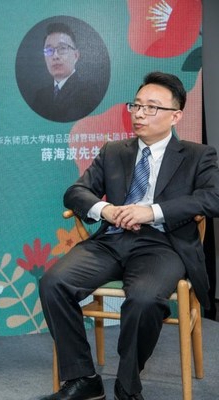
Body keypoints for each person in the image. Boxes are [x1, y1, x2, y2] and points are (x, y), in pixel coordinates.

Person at [38, 71, 219, 400]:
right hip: (112, 240)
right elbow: (75, 193)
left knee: (145, 300)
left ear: (176, 116)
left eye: (152, 107)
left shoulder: (198, 155)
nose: (139, 114)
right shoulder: (114, 151)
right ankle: (83, 378)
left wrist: (152, 211)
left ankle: (127, 384)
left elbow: (213, 198)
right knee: (54, 283)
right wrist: (106, 210)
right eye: (136, 105)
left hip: (163, 245)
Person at [31, 22, 99, 122]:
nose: (55, 56)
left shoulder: (88, 93)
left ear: (76, 56)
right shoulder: (40, 96)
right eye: (49, 50)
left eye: (62, 48)